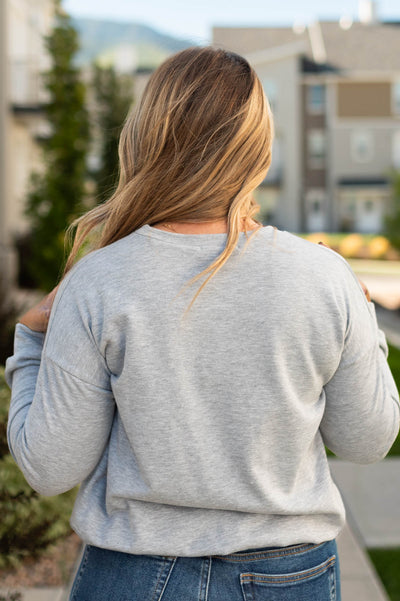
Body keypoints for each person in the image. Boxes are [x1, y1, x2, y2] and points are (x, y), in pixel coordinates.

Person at [5, 46, 399, 601]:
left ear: (145, 138)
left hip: (133, 577)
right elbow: (368, 439)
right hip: (291, 579)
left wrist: (30, 342)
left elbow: (49, 466)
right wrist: (366, 323)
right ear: (259, 148)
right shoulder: (322, 277)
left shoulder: (99, 280)